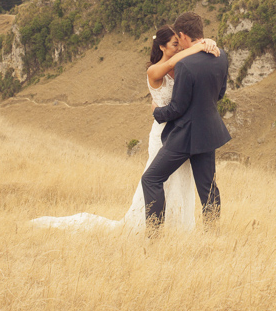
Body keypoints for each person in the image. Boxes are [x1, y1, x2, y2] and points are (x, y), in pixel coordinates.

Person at [29, 24, 219, 233]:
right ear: (163, 47)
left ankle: (178, 228)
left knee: (180, 180)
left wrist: (208, 42)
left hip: (182, 134)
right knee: (158, 179)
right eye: (175, 44)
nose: (179, 48)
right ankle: (153, 227)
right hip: (163, 133)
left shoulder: (182, 67)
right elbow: (177, 61)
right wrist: (201, 45)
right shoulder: (155, 70)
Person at [144, 12, 231, 234]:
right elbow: (219, 94)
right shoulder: (221, 56)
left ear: (183, 35)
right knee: (208, 187)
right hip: (208, 131)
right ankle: (213, 233)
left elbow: (177, 108)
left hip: (184, 134)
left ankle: (154, 235)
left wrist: (157, 112)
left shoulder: (186, 65)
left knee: (151, 179)